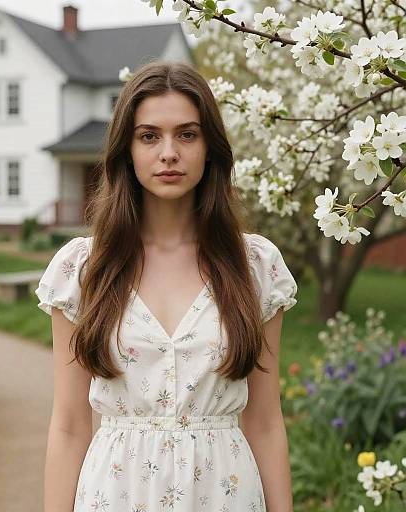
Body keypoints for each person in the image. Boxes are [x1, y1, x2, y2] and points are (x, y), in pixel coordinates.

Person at [35, 61, 298, 512]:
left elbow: (266, 422)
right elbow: (70, 423)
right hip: (115, 494)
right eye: (149, 135)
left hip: (225, 494)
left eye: (187, 134)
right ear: (128, 150)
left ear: (210, 148)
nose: (169, 152)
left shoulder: (254, 266)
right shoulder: (84, 269)